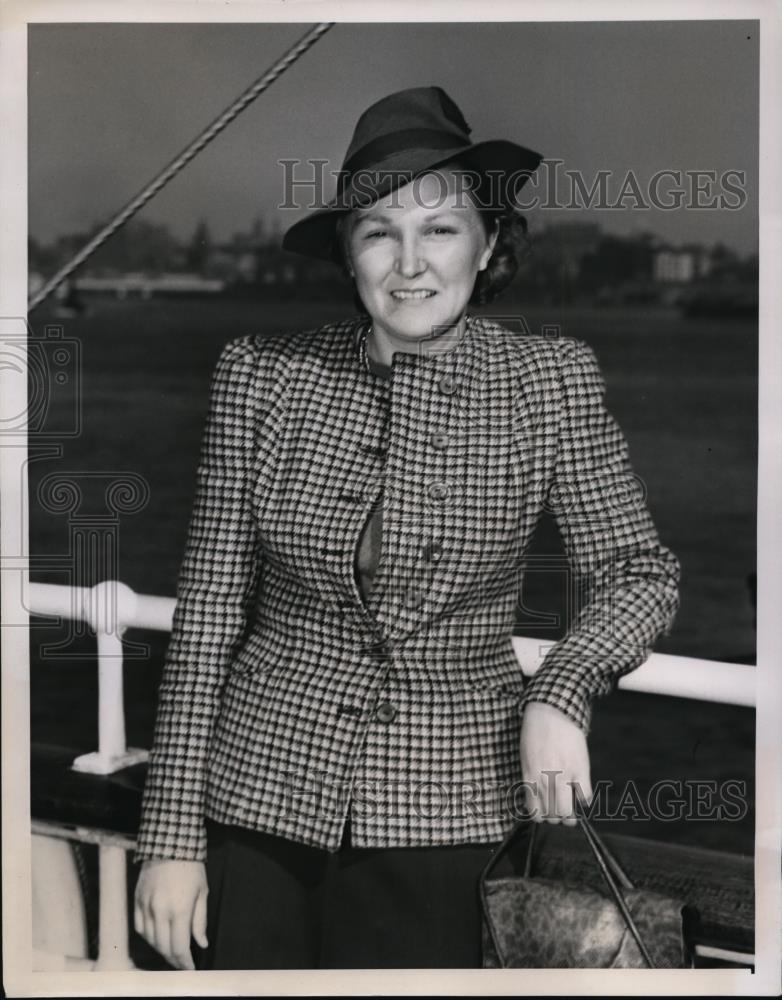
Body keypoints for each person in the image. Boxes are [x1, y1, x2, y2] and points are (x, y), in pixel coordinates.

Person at [133, 86, 680, 970]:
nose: (409, 263)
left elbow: (639, 572)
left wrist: (561, 688)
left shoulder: (549, 382)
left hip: (450, 819)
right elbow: (206, 620)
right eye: (379, 231)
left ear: (489, 243)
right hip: (257, 806)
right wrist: (170, 838)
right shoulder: (261, 377)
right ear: (349, 255)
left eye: (440, 229)